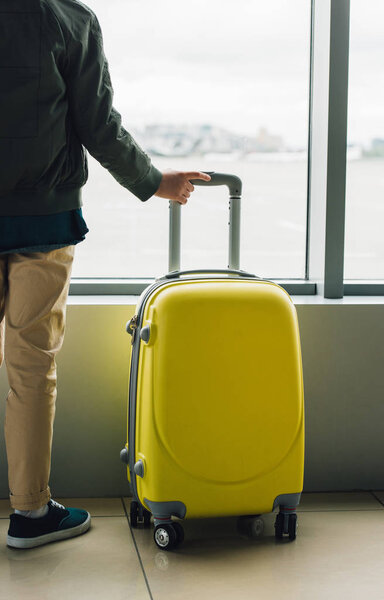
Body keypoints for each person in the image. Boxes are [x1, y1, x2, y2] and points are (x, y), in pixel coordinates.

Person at [0, 0, 210, 549]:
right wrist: (153, 181)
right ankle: (31, 513)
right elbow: (98, 122)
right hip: (44, 220)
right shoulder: (68, 19)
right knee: (31, 368)